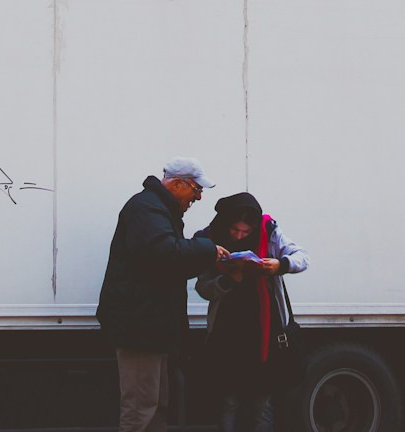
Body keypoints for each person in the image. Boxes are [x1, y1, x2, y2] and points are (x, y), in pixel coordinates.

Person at [96, 159, 228, 432]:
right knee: (142, 408)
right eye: (195, 189)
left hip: (149, 325)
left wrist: (207, 257)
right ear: (177, 183)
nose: (199, 197)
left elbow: (166, 264)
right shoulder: (147, 209)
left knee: (155, 406)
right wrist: (207, 250)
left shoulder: (155, 209)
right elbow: (164, 253)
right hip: (140, 327)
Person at [193, 192, 309, 432]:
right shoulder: (210, 239)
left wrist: (279, 265)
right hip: (226, 333)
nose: (238, 235)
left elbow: (302, 257)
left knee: (262, 402)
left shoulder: (270, 232)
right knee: (228, 401)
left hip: (263, 333)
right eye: (234, 230)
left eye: (245, 232)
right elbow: (203, 287)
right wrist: (228, 281)